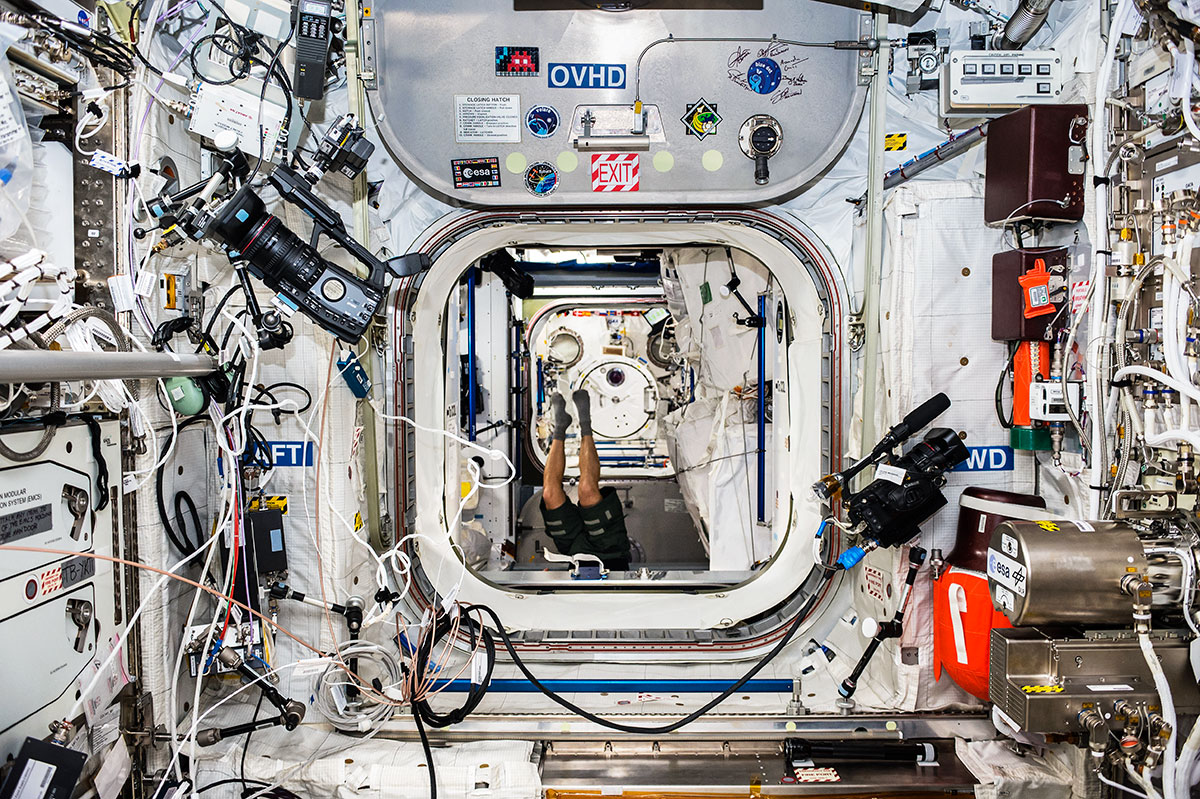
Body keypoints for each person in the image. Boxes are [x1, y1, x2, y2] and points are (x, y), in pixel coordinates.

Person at [540, 390, 632, 570]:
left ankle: (560, 428)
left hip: (573, 550)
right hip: (609, 549)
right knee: (587, 489)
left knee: (549, 494)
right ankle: (585, 424)